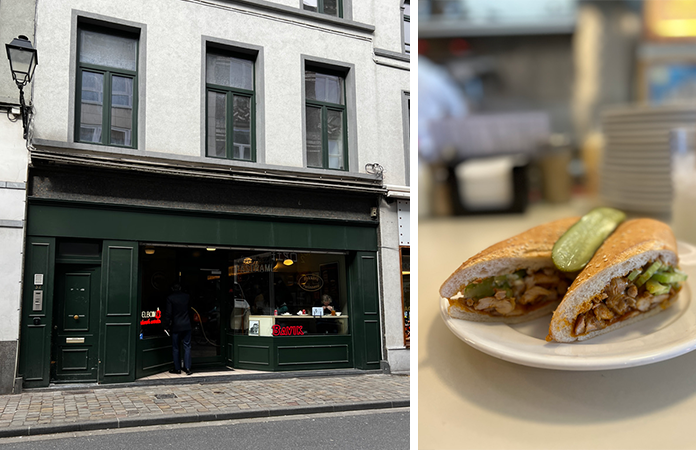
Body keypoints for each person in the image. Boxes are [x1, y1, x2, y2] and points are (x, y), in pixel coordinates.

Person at [163, 283, 193, 375]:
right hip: (187, 324)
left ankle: (177, 368)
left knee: (175, 347)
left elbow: (168, 313)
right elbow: (190, 310)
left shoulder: (170, 298)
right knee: (187, 346)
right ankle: (187, 368)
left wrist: (166, 326)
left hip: (176, 326)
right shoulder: (187, 296)